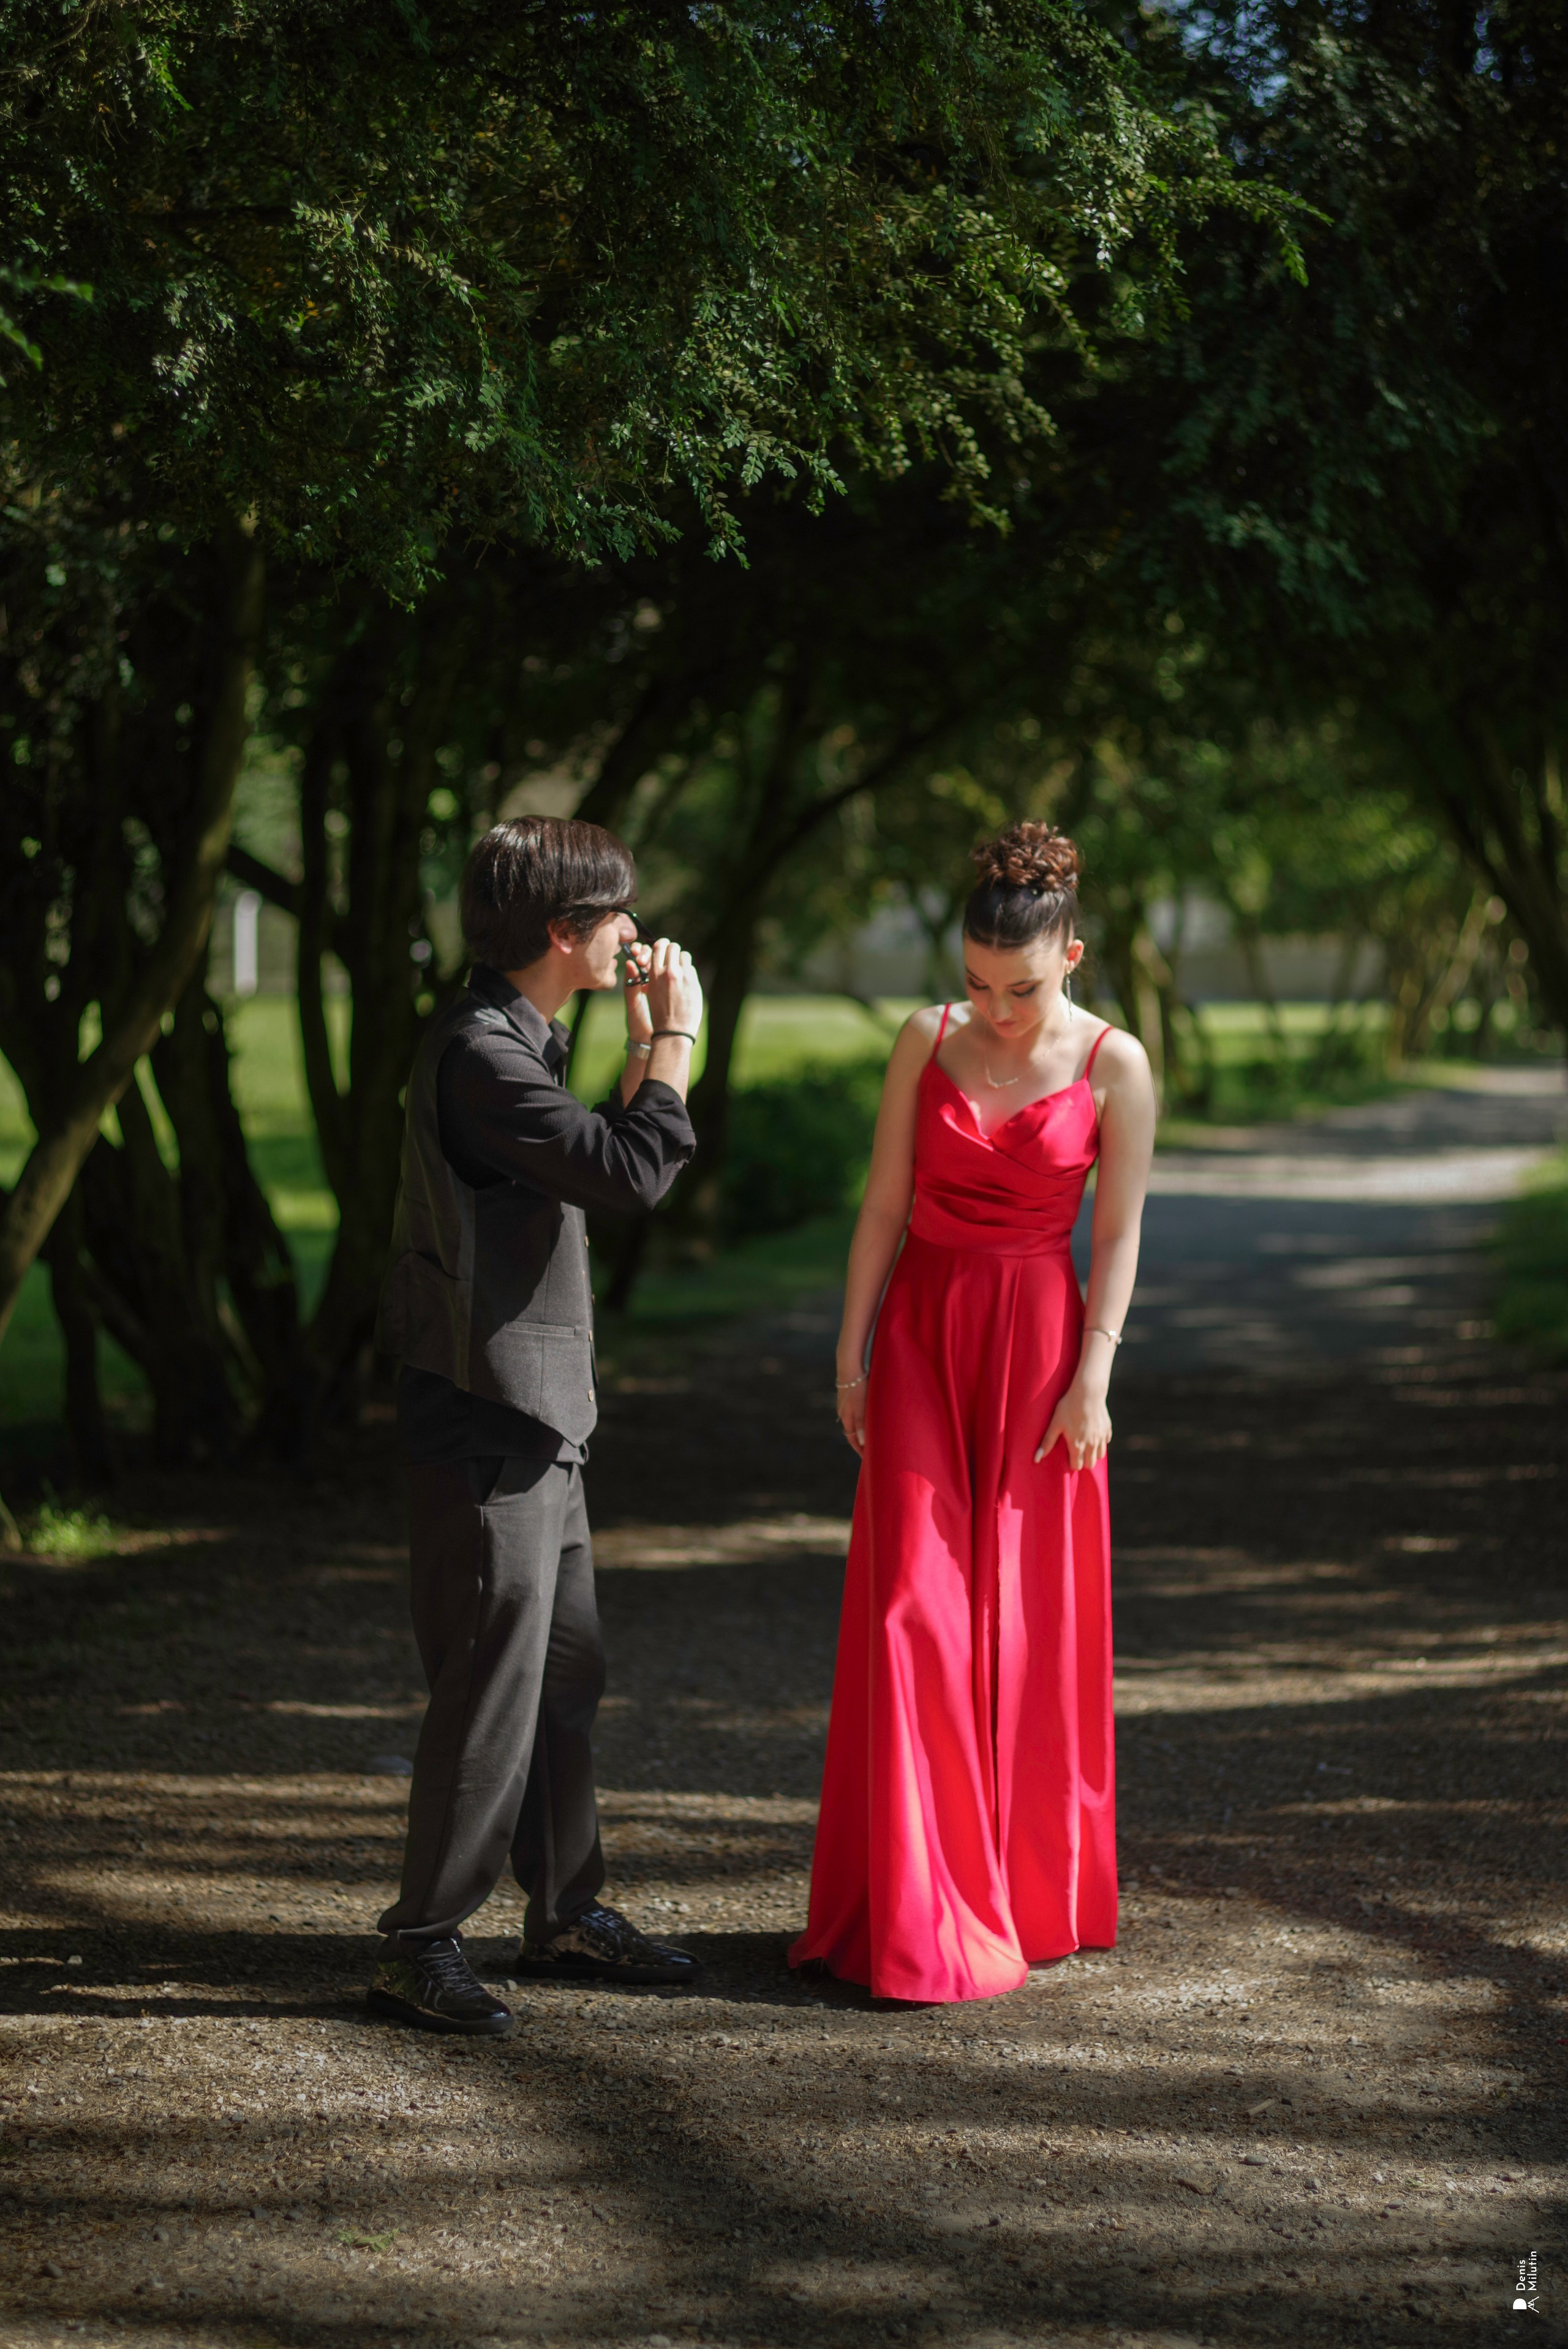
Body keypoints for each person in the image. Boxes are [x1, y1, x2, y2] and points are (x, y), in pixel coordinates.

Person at [789, 822, 1156, 2004]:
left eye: (1025, 986)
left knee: (1023, 1618)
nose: (999, 1009)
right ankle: (909, 1907)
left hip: (1045, 1350)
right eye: (979, 984)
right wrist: (849, 1353)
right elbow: (884, 1203)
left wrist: (1095, 1373)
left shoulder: (1116, 1064)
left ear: (1073, 957)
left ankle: (1024, 1890)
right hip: (921, 1338)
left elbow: (1119, 1232)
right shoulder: (925, 1039)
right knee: (912, 1610)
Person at [367, 815, 705, 2036]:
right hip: (483, 1417)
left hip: (538, 1413)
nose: (632, 932)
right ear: (562, 934)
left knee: (565, 1674)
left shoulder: (522, 1036)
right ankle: (420, 1939)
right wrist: (670, 1038)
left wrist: (638, 1050)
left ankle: (563, 1908)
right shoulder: (479, 1056)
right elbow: (631, 1174)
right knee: (490, 1682)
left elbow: (602, 1159)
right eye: (615, 915)